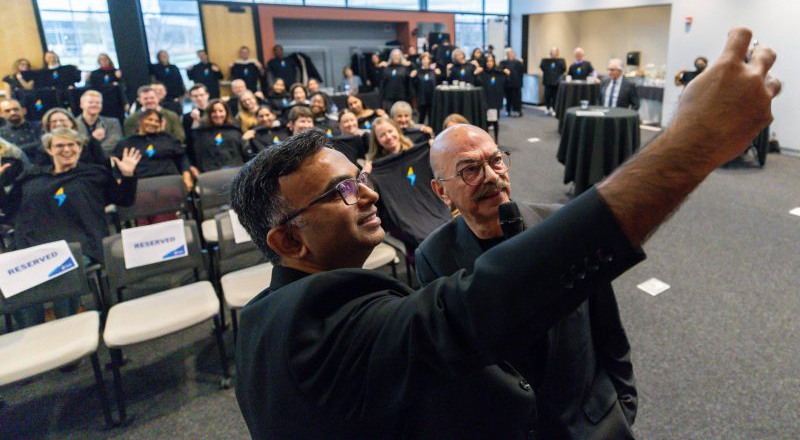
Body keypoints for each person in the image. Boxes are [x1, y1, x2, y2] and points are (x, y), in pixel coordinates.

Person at [231, 27, 780, 439]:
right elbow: (478, 308)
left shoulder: (262, 320)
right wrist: (692, 144)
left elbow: (603, 336)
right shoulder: (321, 323)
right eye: (343, 191)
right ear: (286, 241)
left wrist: (618, 404)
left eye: (361, 178)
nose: (371, 194)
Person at [416, 126, 637, 438]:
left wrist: (624, 405)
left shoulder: (564, 226)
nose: (492, 176)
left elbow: (609, 328)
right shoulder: (434, 256)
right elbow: (455, 361)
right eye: (469, 170)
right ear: (441, 191)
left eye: (495, 161)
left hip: (595, 423)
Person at [0, 128, 140, 328]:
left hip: (79, 243)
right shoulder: (31, 176)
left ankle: (69, 330)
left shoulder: (95, 174)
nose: (66, 149)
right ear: (49, 150)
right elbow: (8, 209)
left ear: (80, 148)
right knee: (14, 277)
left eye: (72, 144)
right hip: (32, 243)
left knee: (60, 270)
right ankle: (35, 335)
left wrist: (128, 176)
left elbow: (124, 200)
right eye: (59, 145)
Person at [116, 108, 193, 192]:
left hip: (169, 182)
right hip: (141, 185)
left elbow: (182, 159)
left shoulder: (168, 139)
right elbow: (116, 165)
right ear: (140, 121)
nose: (153, 123)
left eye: (157, 121)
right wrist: (119, 180)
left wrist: (186, 175)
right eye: (149, 119)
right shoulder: (126, 143)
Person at [187, 99, 249, 174]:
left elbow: (245, 154)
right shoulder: (199, 133)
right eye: (214, 111)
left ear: (226, 112)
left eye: (221, 111)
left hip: (236, 171)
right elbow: (192, 154)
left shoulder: (235, 130)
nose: (218, 114)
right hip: (209, 173)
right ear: (209, 114)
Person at [41, 107, 107, 167]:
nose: (58, 124)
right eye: (53, 121)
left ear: (72, 123)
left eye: (62, 120)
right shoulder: (40, 148)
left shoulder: (89, 142)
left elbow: (102, 165)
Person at [75, 90, 123, 158]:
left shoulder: (113, 123)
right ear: (81, 105)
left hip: (105, 162)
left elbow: (114, 143)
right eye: (90, 102)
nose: (94, 105)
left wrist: (89, 152)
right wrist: (92, 139)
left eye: (98, 103)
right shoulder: (72, 124)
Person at [476, 54, 510, 142]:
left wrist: (507, 74)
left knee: (494, 121)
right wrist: (476, 73)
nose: (489, 63)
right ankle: (486, 140)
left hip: (494, 100)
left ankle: (496, 140)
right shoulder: (482, 73)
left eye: (491, 61)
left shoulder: (498, 73)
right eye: (488, 61)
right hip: (484, 100)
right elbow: (477, 83)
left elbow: (506, 83)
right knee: (485, 122)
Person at [409, 53, 440, 126]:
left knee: (432, 117)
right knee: (421, 117)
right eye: (423, 59)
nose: (425, 60)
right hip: (422, 97)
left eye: (427, 59)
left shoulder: (434, 71)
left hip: (432, 97)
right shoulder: (417, 72)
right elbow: (412, 85)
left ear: (430, 60)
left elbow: (439, 83)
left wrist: (439, 74)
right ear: (421, 60)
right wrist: (411, 77)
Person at [540, 47, 567, 116]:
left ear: (558, 53)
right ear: (551, 52)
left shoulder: (561, 61)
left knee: (555, 96)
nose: (554, 53)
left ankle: (555, 109)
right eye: (553, 52)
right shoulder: (545, 61)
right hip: (548, 81)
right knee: (547, 96)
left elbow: (564, 69)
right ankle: (547, 108)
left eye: (556, 52)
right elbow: (542, 67)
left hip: (557, 82)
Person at [501, 48, 525, 117]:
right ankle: (508, 110)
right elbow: (500, 70)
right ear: (507, 55)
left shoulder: (518, 62)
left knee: (517, 98)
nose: (511, 55)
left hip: (517, 84)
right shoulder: (503, 62)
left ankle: (517, 111)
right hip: (507, 84)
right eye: (509, 54)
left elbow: (522, 71)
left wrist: (522, 63)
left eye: (512, 54)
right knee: (508, 98)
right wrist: (504, 70)